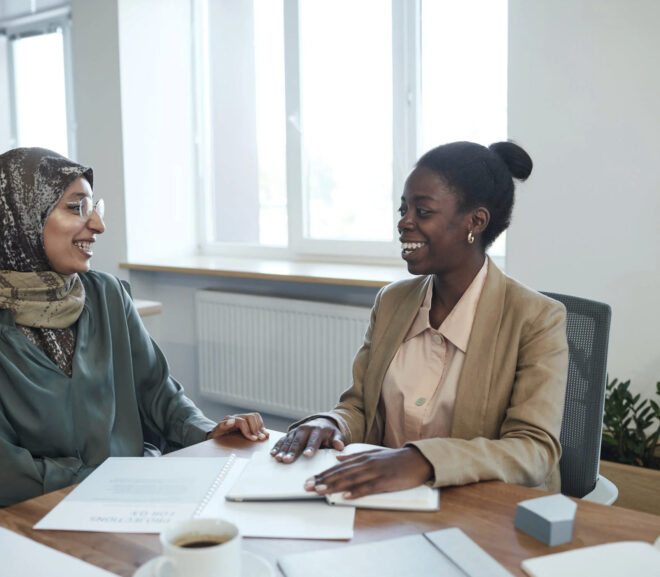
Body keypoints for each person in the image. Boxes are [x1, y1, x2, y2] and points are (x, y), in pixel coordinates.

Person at [271, 141, 569, 500]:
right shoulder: (393, 301)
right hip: (387, 504)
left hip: (481, 512)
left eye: (422, 211)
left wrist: (422, 461)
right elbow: (360, 407)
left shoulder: (536, 319)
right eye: (403, 208)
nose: (404, 222)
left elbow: (534, 451)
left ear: (475, 222)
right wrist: (330, 422)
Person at [0, 147, 268, 508]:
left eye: (95, 207)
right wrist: (114, 479)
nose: (98, 225)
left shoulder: (107, 294)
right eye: (76, 207)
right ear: (19, 218)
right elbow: (7, 471)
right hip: (35, 517)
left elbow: (158, 393)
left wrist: (207, 429)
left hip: (135, 498)